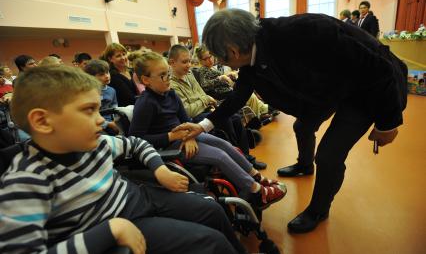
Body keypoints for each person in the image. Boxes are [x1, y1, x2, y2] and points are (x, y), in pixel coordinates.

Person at [173, 9, 407, 233]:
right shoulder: (251, 59)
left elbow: (380, 68)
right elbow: (237, 97)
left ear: (232, 51)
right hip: (329, 91)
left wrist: (388, 122)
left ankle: (318, 211)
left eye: (218, 57)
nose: (218, 63)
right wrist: (202, 125)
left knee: (328, 157)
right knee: (302, 126)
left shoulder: (308, 31)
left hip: (364, 90)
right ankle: (305, 165)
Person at [1, 65, 247, 254]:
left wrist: (159, 168)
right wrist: (108, 231)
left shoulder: (95, 143)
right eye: (88, 110)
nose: (101, 120)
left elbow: (136, 143)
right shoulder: (25, 182)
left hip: (139, 196)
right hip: (115, 222)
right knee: (210, 243)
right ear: (42, 121)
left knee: (212, 210)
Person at [128, 52, 285, 207]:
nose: (169, 78)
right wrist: (170, 136)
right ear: (146, 80)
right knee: (219, 156)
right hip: (168, 146)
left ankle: (256, 177)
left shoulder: (171, 94)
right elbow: (135, 139)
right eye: (163, 76)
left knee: (226, 145)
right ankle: (257, 192)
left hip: (185, 137)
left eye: (168, 73)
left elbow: (186, 121)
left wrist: (189, 137)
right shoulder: (145, 104)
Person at [169, 44, 267, 170]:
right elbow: (188, 110)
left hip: (206, 109)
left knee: (235, 117)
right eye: (184, 62)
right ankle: (237, 161)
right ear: (172, 62)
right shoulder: (171, 84)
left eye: (189, 61)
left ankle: (247, 158)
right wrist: (205, 100)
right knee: (224, 120)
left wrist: (208, 102)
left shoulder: (189, 74)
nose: (188, 65)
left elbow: (201, 93)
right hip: (194, 118)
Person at [195, 45, 272, 120]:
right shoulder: (203, 70)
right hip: (221, 95)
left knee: (249, 94)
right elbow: (204, 84)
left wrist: (228, 75)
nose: (210, 60)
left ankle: (263, 111)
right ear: (200, 61)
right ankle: (261, 113)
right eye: (206, 59)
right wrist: (220, 78)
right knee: (249, 96)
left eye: (210, 56)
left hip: (227, 90)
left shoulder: (212, 68)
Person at [84, 59, 120, 135]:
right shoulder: (88, 93)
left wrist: (115, 121)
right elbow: (90, 114)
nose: (107, 76)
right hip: (96, 124)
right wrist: (107, 124)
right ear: (91, 77)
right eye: (101, 74)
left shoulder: (111, 90)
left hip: (111, 122)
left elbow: (114, 106)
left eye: (107, 72)